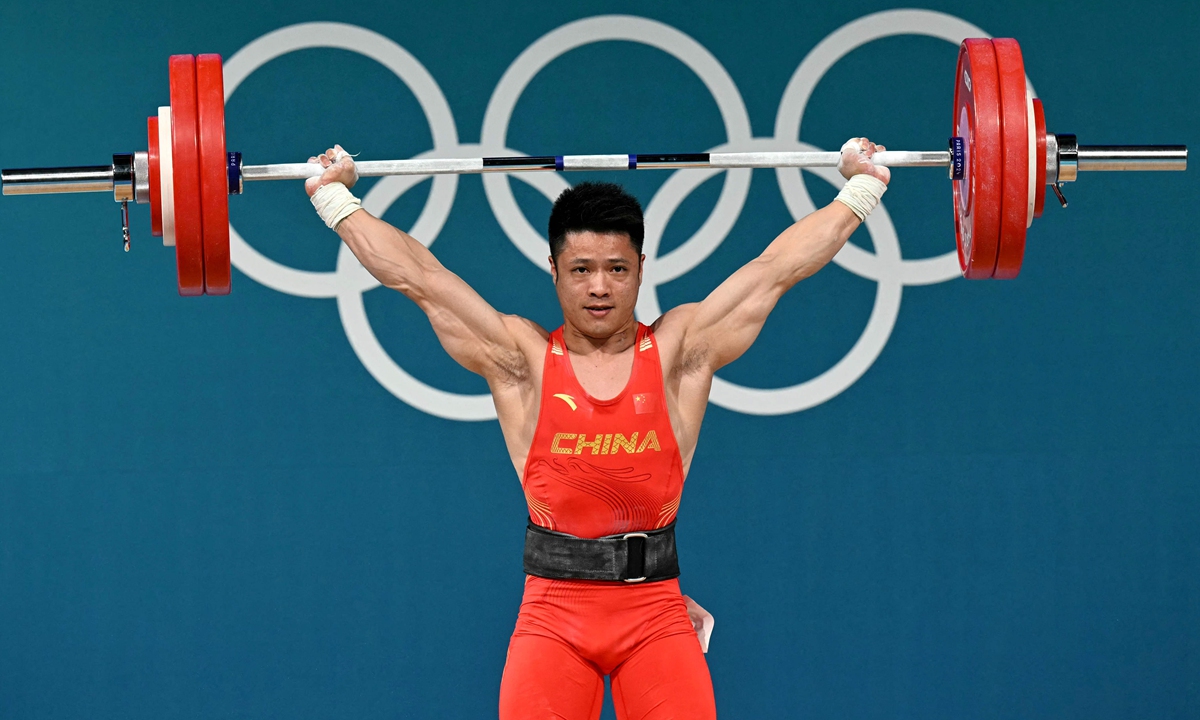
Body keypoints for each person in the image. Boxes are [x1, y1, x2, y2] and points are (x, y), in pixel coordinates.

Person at [304, 139, 890, 719]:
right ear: (554, 270)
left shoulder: (679, 351)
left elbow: (775, 271)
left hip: (655, 612)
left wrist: (860, 187)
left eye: (617, 269)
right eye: (581, 270)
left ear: (640, 269)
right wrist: (336, 201)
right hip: (551, 616)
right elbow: (420, 279)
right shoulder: (521, 360)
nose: (600, 287)